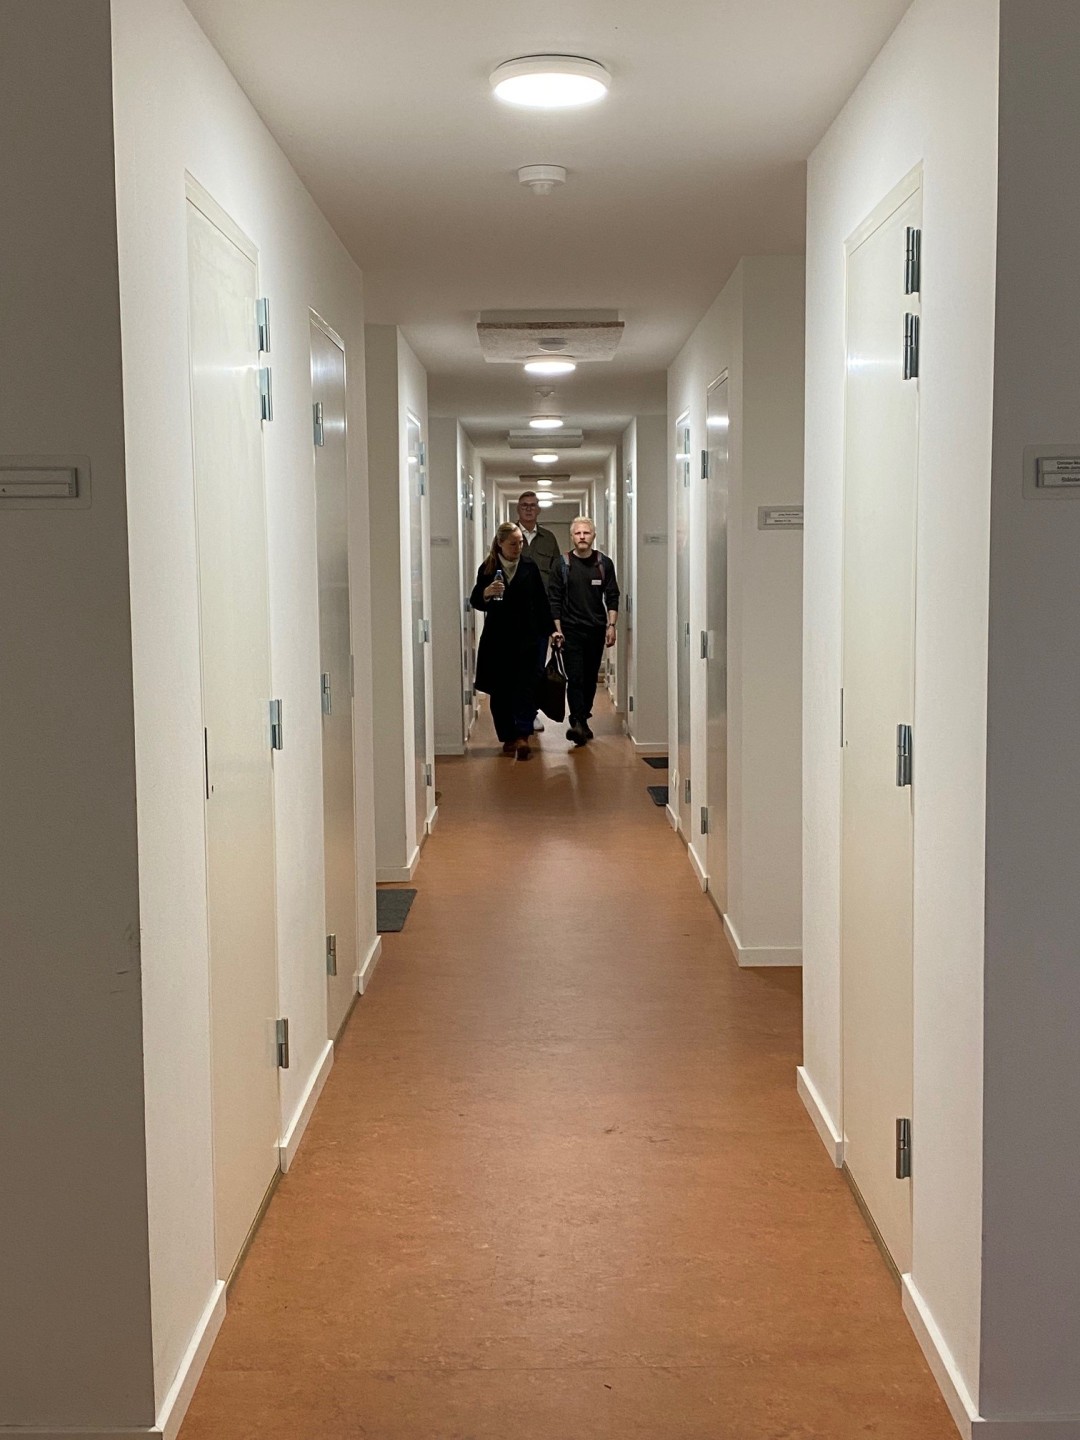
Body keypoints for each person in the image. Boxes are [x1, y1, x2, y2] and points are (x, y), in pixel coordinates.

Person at [469, 522, 554, 760]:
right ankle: (507, 735)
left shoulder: (529, 566)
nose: (518, 548)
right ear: (500, 544)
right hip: (498, 639)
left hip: (528, 637)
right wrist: (486, 593)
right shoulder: (488, 568)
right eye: (513, 544)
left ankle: (523, 735)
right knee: (501, 691)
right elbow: (476, 600)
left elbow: (541, 601)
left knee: (526, 687)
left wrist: (551, 631)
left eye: (520, 543)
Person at [548, 516, 620, 746]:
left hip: (596, 629)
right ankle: (577, 721)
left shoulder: (603, 563)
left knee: (590, 679)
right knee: (575, 677)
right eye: (578, 533)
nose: (582, 537)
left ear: (593, 536)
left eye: (586, 533)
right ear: (572, 536)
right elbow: (554, 599)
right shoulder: (562, 564)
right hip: (570, 631)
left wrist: (611, 626)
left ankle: (583, 718)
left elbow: (612, 596)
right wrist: (557, 631)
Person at [515, 491, 561, 733]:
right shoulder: (508, 535)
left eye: (533, 505)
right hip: (515, 615)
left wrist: (556, 618)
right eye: (524, 505)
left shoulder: (548, 539)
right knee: (516, 667)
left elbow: (557, 577)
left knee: (536, 667)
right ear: (518, 509)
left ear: (539, 510)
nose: (529, 509)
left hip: (541, 615)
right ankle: (516, 714)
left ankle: (531, 713)